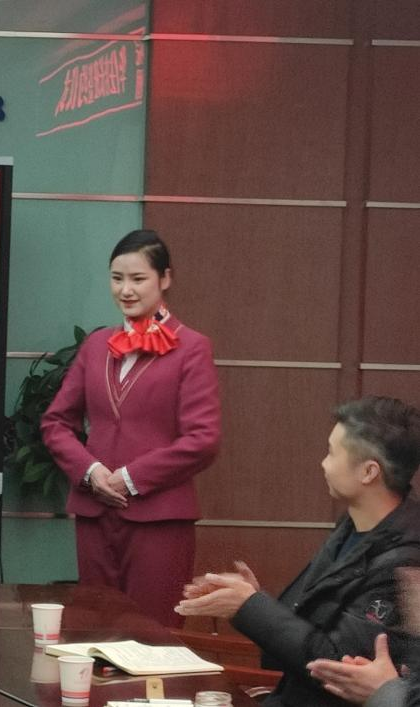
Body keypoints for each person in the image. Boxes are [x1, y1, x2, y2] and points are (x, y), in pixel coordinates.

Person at [176, 396, 420, 707]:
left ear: (369, 472)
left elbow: (336, 666)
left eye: (332, 453)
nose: (323, 463)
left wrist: (250, 606)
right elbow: (305, 623)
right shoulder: (354, 526)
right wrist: (250, 599)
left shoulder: (404, 559)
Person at [41, 229, 220, 627]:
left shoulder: (192, 347)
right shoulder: (96, 345)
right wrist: (90, 471)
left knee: (153, 632)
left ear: (165, 278)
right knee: (93, 629)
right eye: (117, 278)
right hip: (94, 512)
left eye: (138, 279)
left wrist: (129, 478)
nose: (125, 290)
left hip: (159, 518)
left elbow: (204, 439)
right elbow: (56, 422)